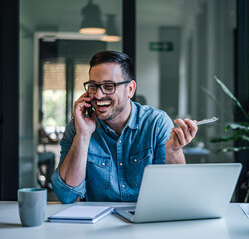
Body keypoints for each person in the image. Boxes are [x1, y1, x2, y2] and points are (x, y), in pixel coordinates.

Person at [51, 51, 198, 203]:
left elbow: (176, 193)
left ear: (130, 89)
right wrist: (83, 135)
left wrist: (174, 151)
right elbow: (66, 196)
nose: (98, 95)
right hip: (97, 225)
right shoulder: (78, 126)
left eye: (109, 86)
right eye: (93, 86)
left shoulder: (157, 124)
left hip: (147, 221)